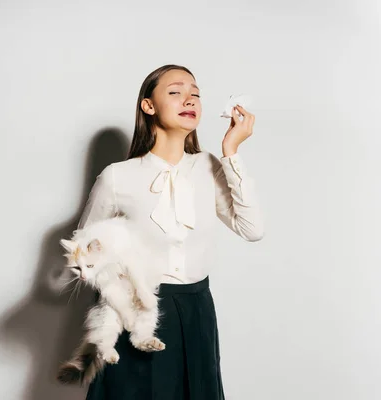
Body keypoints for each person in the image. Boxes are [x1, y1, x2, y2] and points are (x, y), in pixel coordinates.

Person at [77, 64, 264, 400]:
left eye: (195, 93)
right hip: (138, 315)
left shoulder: (209, 167)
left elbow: (252, 229)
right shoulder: (117, 177)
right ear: (148, 106)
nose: (189, 99)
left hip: (196, 312)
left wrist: (231, 152)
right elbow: (84, 253)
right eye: (176, 92)